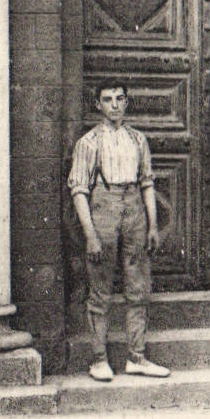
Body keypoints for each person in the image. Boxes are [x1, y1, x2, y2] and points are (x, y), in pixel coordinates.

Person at [67, 83, 171, 382]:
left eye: (120, 99)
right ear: (98, 105)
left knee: (137, 286)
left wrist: (152, 225)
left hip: (134, 207)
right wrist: (90, 234)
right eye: (107, 100)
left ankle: (137, 356)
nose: (114, 105)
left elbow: (147, 183)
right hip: (104, 205)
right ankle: (99, 359)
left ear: (127, 103)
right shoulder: (88, 143)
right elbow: (79, 190)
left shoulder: (138, 139)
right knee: (100, 289)